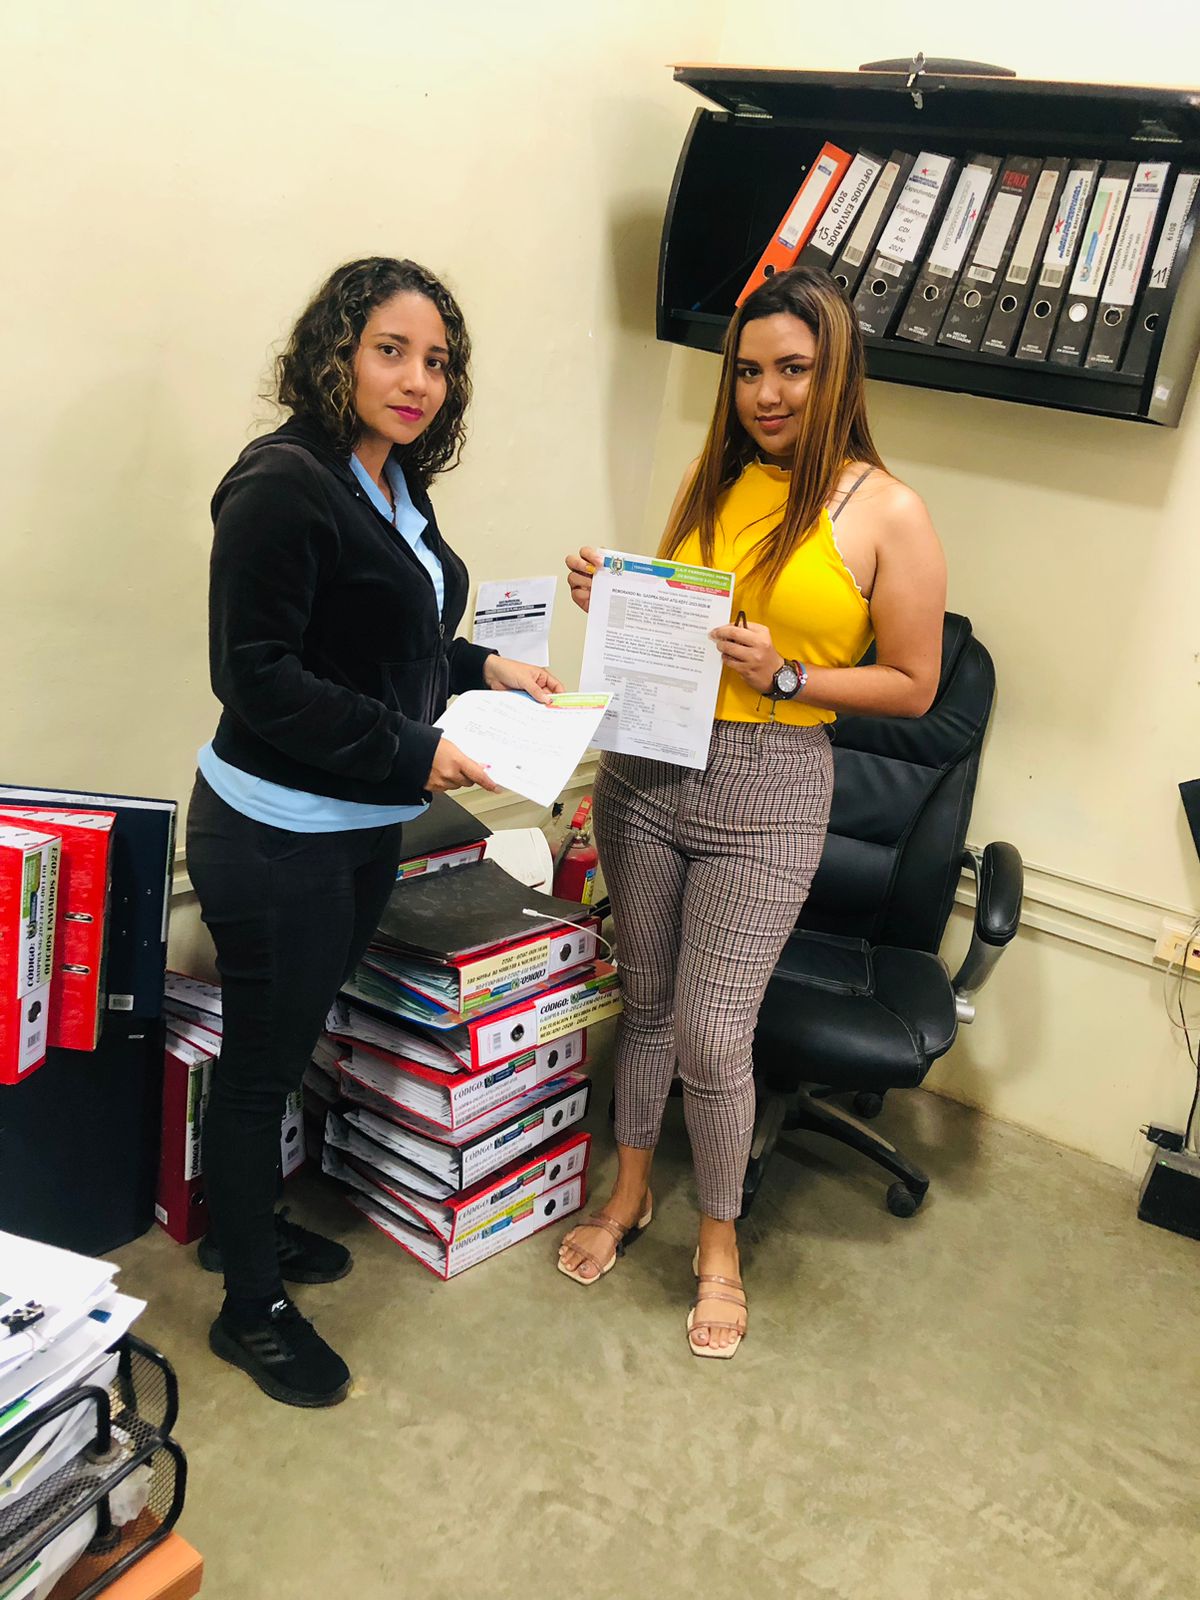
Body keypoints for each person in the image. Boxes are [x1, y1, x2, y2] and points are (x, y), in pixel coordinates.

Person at [186, 257, 561, 1407]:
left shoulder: (392, 478)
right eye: (390, 351)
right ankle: (249, 1309)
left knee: (290, 1040)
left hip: (358, 826)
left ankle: (238, 1227)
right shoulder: (281, 484)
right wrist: (410, 749)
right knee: (260, 1071)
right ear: (336, 352)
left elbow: (388, 638)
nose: (416, 380)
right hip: (276, 835)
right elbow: (257, 675)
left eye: (436, 361)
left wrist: (484, 666)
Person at [557, 266, 946, 1359]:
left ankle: (719, 1241)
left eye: (794, 370)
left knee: (715, 1030)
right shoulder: (712, 478)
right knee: (644, 1002)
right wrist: (615, 598)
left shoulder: (888, 511)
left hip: (771, 788)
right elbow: (682, 630)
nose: (767, 394)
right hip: (646, 770)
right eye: (749, 372)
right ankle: (631, 1188)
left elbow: (915, 684)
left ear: (837, 375)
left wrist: (789, 675)